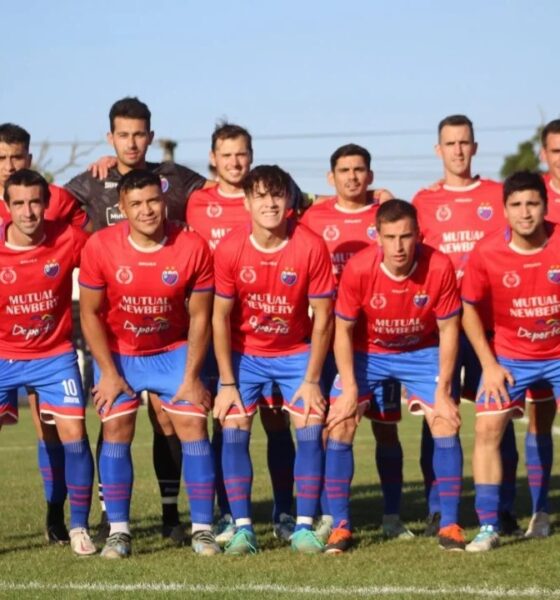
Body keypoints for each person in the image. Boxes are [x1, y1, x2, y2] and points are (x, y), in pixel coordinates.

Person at [67, 97, 212, 544]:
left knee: (178, 422)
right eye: (123, 135)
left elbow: (234, 194)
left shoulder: (180, 181)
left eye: (139, 134)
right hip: (118, 343)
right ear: (110, 137)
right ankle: (115, 525)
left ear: (150, 135)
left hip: (170, 341)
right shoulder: (90, 183)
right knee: (115, 422)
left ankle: (187, 521)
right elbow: (32, 204)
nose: (131, 142)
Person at [412, 114, 528, 536]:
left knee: (497, 415)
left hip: (491, 327)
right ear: (438, 149)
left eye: (465, 143)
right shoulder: (422, 201)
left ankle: (503, 506)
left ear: (475, 147)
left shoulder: (499, 196)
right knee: (438, 412)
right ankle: (439, 509)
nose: (458, 150)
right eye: (450, 143)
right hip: (439, 327)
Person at [326, 199, 464, 553]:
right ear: (377, 237)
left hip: (421, 352)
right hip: (366, 353)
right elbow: (342, 331)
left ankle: (449, 524)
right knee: (340, 421)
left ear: (419, 234)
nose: (399, 246)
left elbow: (449, 330)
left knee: (446, 419)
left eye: (406, 236)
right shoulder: (359, 268)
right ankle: (340, 526)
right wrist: (350, 387)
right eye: (391, 237)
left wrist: (445, 389)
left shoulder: (439, 265)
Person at [212, 165, 334, 554]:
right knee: (234, 427)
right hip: (244, 354)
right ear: (246, 202)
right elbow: (219, 317)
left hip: (294, 352)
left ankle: (302, 526)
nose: (270, 203)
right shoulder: (231, 247)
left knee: (311, 424)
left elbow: (324, 318)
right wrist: (228, 382)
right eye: (261, 196)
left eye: (277, 195)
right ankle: (244, 528)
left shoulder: (311, 245)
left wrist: (313, 378)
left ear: (288, 201)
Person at [187, 122, 297, 544]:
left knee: (275, 421)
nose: (235, 162)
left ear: (251, 156)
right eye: (226, 154)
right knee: (224, 421)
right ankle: (228, 513)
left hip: (264, 332)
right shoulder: (193, 200)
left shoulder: (273, 191)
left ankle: (284, 510)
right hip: (214, 328)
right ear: (213, 158)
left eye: (241, 154)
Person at [301, 144, 412, 541]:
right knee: (332, 426)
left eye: (359, 169)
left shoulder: (386, 213)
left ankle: (392, 516)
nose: (352, 176)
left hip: (379, 339)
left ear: (371, 175)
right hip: (331, 337)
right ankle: (333, 516)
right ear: (331, 177)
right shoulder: (313, 217)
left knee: (386, 429)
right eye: (344, 170)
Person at [0, 123, 91, 544]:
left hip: (52, 351)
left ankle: (67, 520)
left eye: (15, 158)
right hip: (3, 351)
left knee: (60, 430)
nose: (8, 166)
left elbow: (102, 244)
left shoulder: (64, 224)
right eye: (1, 160)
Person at [462, 170, 559, 551]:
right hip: (510, 359)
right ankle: (488, 526)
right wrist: (488, 364)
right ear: (504, 210)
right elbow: (468, 309)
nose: (525, 212)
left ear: (545, 206)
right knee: (487, 430)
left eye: (532, 203)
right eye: (516, 205)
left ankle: (541, 514)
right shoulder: (486, 252)